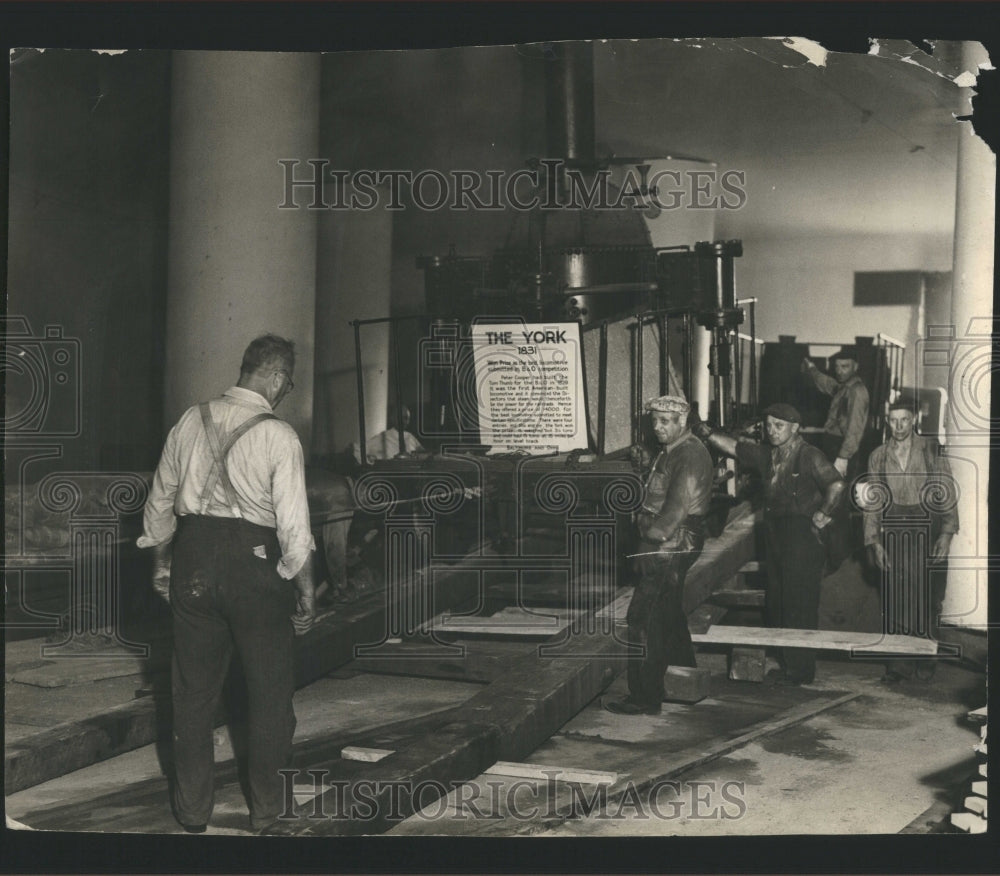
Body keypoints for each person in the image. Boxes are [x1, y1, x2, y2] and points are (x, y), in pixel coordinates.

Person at [137, 334, 316, 834]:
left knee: (191, 695)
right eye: (288, 383)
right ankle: (267, 810)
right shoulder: (278, 435)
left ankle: (192, 813)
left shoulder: (190, 420)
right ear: (277, 378)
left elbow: (158, 503)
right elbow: (295, 529)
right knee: (269, 695)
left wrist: (160, 563)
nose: (285, 392)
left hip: (192, 560)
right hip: (256, 567)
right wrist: (304, 590)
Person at [696, 403, 845, 685]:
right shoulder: (769, 455)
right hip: (776, 532)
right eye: (769, 425)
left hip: (803, 535)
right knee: (778, 598)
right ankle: (789, 664)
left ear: (795, 428)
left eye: (779, 426)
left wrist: (824, 513)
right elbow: (735, 448)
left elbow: (836, 485)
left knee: (799, 602)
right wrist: (706, 433)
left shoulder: (809, 455)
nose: (772, 431)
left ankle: (801, 670)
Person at [605, 395, 713, 716]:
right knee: (667, 608)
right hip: (672, 537)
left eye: (665, 421)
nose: (657, 427)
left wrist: (650, 542)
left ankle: (645, 697)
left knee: (642, 616)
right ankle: (684, 672)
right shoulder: (673, 451)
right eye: (654, 420)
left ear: (683, 422)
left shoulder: (690, 454)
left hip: (672, 539)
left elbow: (676, 511)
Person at [861, 398, 958, 684]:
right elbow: (873, 503)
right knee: (894, 598)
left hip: (927, 527)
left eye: (904, 419)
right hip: (893, 530)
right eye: (893, 420)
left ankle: (926, 661)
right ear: (886, 421)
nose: (899, 426)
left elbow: (947, 492)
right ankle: (898, 666)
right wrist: (874, 541)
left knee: (928, 598)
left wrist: (946, 534)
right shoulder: (877, 456)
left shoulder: (931, 449)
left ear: (913, 419)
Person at [801, 347, 870, 479]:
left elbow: (854, 430)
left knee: (839, 491)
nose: (839, 371)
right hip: (833, 444)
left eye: (845, 366)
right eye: (837, 367)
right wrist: (812, 369)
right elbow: (826, 383)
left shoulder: (857, 391)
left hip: (842, 448)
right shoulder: (843, 387)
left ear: (855, 367)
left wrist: (843, 457)